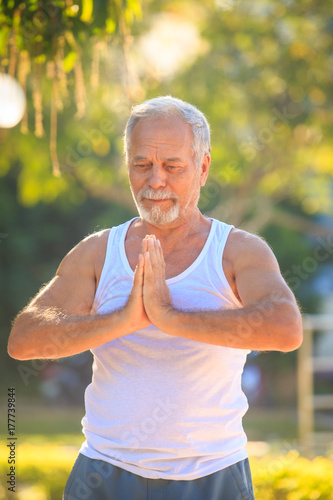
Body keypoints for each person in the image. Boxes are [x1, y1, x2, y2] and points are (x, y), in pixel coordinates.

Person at [8, 96, 303, 500]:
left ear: (202, 168)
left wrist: (170, 316)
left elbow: (285, 329)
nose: (155, 181)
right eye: (141, 164)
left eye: (172, 166)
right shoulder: (97, 252)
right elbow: (24, 339)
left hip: (213, 476)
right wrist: (123, 320)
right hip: (105, 473)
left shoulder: (238, 251)